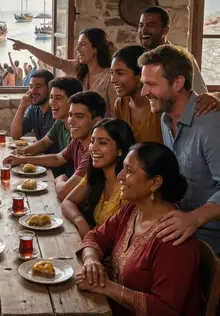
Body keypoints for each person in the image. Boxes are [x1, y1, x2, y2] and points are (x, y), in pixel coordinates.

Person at [77, 142, 200, 316]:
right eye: (123, 167)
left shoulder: (172, 238)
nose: (121, 176)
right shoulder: (131, 211)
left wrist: (107, 287)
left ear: (155, 182)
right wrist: (91, 260)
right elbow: (95, 236)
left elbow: (164, 310)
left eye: (130, 171)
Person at [139, 45, 220, 254]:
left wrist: (193, 218)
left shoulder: (211, 124)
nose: (144, 92)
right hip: (180, 230)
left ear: (178, 83)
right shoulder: (165, 118)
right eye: (143, 84)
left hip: (210, 242)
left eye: (151, 84)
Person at [5, 91, 106, 200]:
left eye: (79, 116)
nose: (71, 121)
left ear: (96, 121)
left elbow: (63, 192)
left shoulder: (93, 153)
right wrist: (22, 159)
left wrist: (59, 178)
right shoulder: (78, 140)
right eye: (70, 115)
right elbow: (58, 158)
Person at [10, 28, 117, 117]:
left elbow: (115, 114)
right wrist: (27, 47)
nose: (77, 49)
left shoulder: (110, 78)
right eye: (78, 44)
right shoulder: (78, 69)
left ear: (96, 49)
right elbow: (56, 61)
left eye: (83, 45)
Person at [138, 6, 220, 115]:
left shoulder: (181, 59)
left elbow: (201, 98)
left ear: (165, 30)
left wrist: (216, 96)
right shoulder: (140, 61)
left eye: (150, 25)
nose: (144, 29)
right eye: (141, 25)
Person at [61, 118, 135, 238]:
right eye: (92, 141)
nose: (93, 148)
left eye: (102, 143)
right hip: (92, 245)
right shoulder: (96, 175)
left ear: (120, 150)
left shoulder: (128, 185)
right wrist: (80, 222)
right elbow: (67, 202)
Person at [17, 76, 82, 161]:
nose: (52, 103)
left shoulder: (79, 128)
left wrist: (23, 159)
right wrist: (20, 153)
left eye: (58, 98)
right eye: (51, 97)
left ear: (73, 101)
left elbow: (58, 159)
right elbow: (44, 143)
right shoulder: (59, 122)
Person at [111, 45, 162, 143]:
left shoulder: (160, 105)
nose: (113, 80)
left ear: (140, 75)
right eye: (111, 73)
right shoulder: (121, 104)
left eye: (120, 73)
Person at [10, 69, 55, 143]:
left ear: (49, 89)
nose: (33, 91)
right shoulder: (33, 109)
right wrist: (22, 107)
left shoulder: (56, 110)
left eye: (38, 87)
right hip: (41, 153)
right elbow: (15, 135)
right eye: (31, 87)